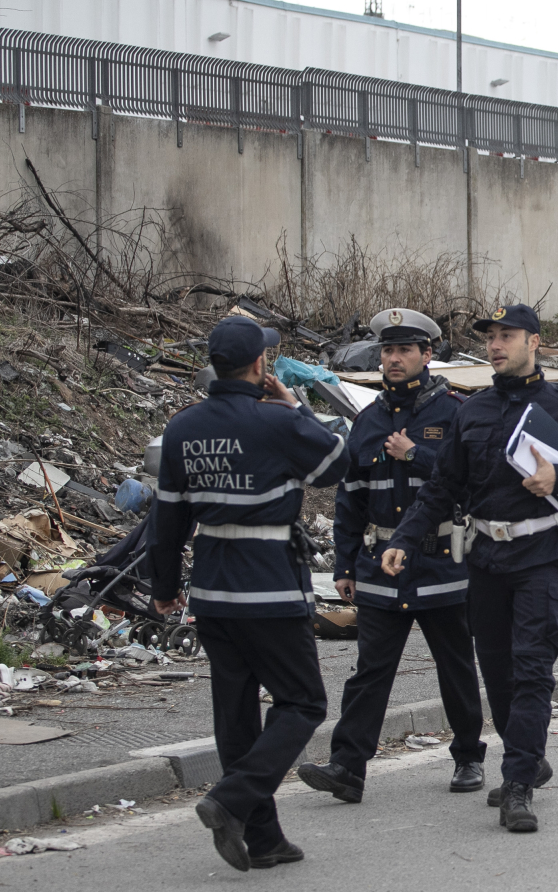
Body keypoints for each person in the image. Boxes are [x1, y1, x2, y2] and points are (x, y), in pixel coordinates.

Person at [381, 304, 558, 833]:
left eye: (506, 335)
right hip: (486, 558)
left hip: (542, 556)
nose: (495, 345)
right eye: (490, 337)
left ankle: (517, 785)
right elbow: (443, 487)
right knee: (497, 671)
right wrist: (405, 538)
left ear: (534, 342)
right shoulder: (472, 410)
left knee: (532, 668)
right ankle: (529, 758)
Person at [150, 315, 349, 872]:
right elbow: (338, 462)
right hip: (269, 587)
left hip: (212, 589)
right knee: (303, 702)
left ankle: (262, 839)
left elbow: (166, 521)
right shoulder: (276, 422)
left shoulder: (183, 428)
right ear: (262, 365)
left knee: (235, 713)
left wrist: (165, 588)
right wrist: (295, 407)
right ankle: (231, 800)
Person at [298, 308, 486, 802]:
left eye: (405, 350)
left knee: (456, 667)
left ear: (428, 356)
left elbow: (472, 486)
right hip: (381, 567)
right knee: (369, 671)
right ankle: (347, 767)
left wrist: (415, 455)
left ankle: (469, 756)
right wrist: (342, 566)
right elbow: (350, 498)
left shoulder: (456, 413)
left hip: (443, 564)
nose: (394, 359)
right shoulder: (368, 420)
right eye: (387, 350)